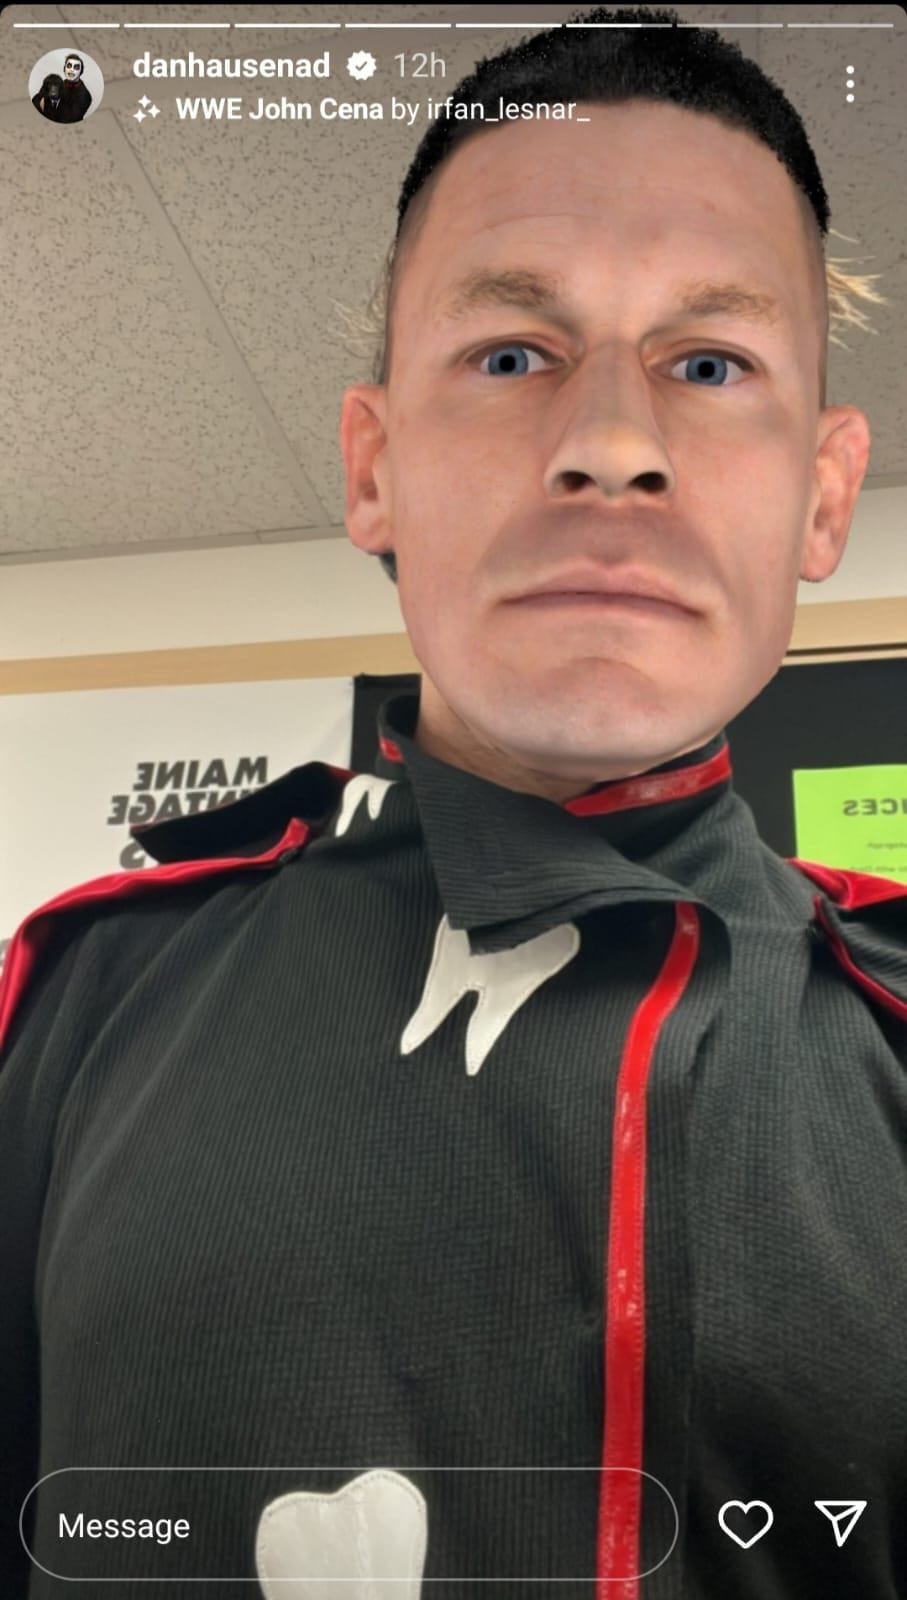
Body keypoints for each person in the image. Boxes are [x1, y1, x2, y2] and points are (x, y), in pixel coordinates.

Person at [1, 5, 904, 1598]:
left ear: (824, 495)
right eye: (511, 356)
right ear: (374, 470)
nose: (611, 444)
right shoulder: (77, 997)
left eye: (709, 363)